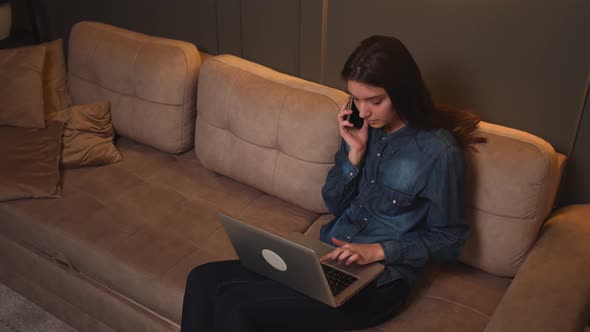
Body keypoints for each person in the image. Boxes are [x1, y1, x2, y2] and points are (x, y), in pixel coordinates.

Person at [180, 35, 485, 332]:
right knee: (202, 279)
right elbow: (333, 203)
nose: (363, 111)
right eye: (356, 98)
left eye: (375, 101)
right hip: (325, 257)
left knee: (236, 304)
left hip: (380, 282)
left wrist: (380, 251)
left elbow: (450, 239)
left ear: (402, 91)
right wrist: (353, 157)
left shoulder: (439, 152)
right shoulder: (362, 127)